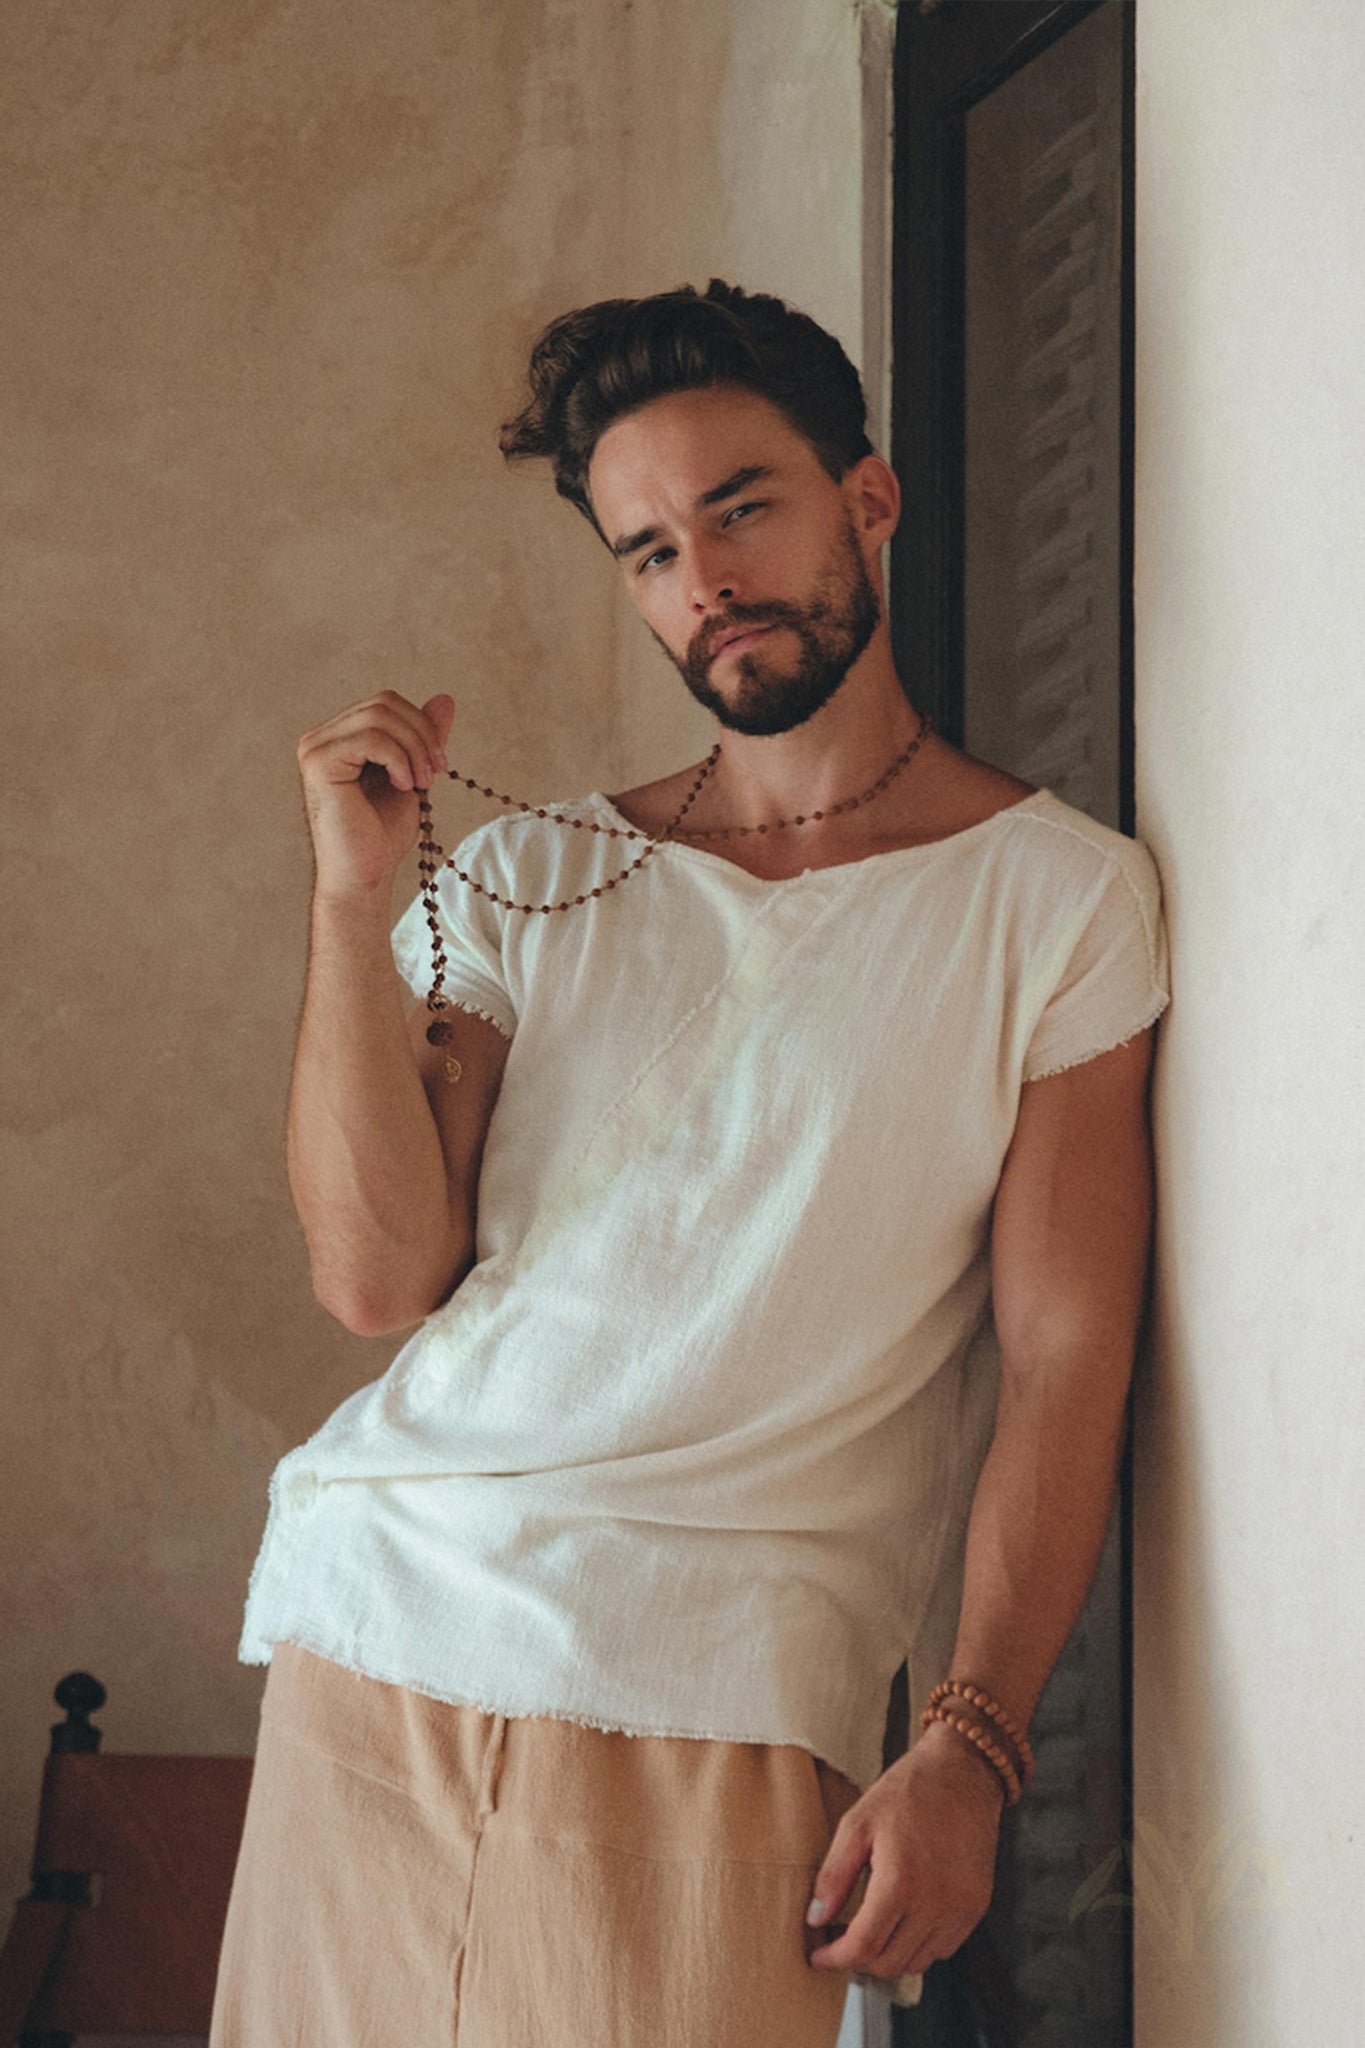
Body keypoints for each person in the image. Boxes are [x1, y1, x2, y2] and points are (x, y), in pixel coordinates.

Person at [210, 281, 1169, 2048]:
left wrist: (968, 1740)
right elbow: (373, 1277)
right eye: (648, 550)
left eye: (742, 508)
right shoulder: (527, 877)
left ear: (863, 501)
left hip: (716, 1702)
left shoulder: (1058, 901)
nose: (703, 581)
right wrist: (355, 911)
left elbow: (1063, 1353)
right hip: (379, 1640)